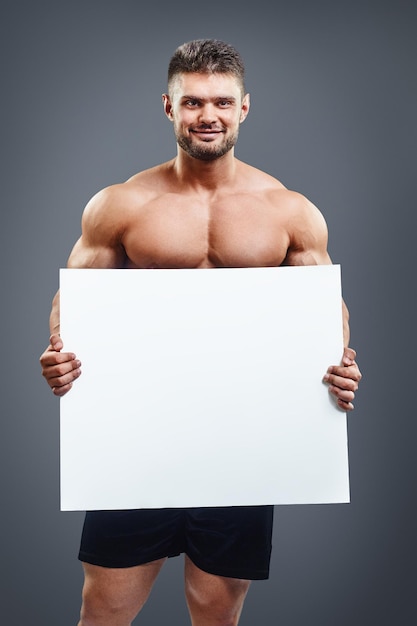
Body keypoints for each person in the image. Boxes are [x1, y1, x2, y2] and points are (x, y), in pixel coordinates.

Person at [40, 39, 362, 626]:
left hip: (242, 445)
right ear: (169, 108)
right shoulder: (120, 205)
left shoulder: (289, 211)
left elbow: (325, 313)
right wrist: (58, 351)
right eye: (192, 103)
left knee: (217, 611)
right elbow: (74, 300)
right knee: (105, 609)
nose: (206, 116)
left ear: (244, 108)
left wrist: (340, 363)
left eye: (220, 102)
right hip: (135, 442)